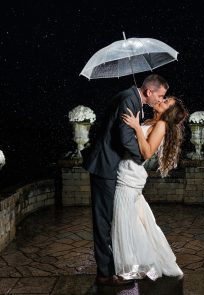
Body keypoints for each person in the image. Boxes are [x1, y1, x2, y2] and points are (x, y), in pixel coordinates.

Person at [82, 74, 169, 286]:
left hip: (112, 166)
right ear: (149, 92)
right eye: (160, 95)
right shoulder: (129, 100)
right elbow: (124, 137)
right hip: (105, 165)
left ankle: (111, 267)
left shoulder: (131, 98)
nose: (160, 99)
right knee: (103, 220)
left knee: (110, 218)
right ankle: (104, 273)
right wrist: (141, 157)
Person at [112, 95, 188, 281]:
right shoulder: (151, 120)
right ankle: (144, 260)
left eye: (166, 103)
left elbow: (146, 152)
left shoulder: (161, 125)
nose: (161, 101)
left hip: (130, 174)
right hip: (128, 169)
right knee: (134, 219)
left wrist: (137, 127)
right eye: (165, 99)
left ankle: (131, 267)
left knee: (124, 219)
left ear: (168, 113)